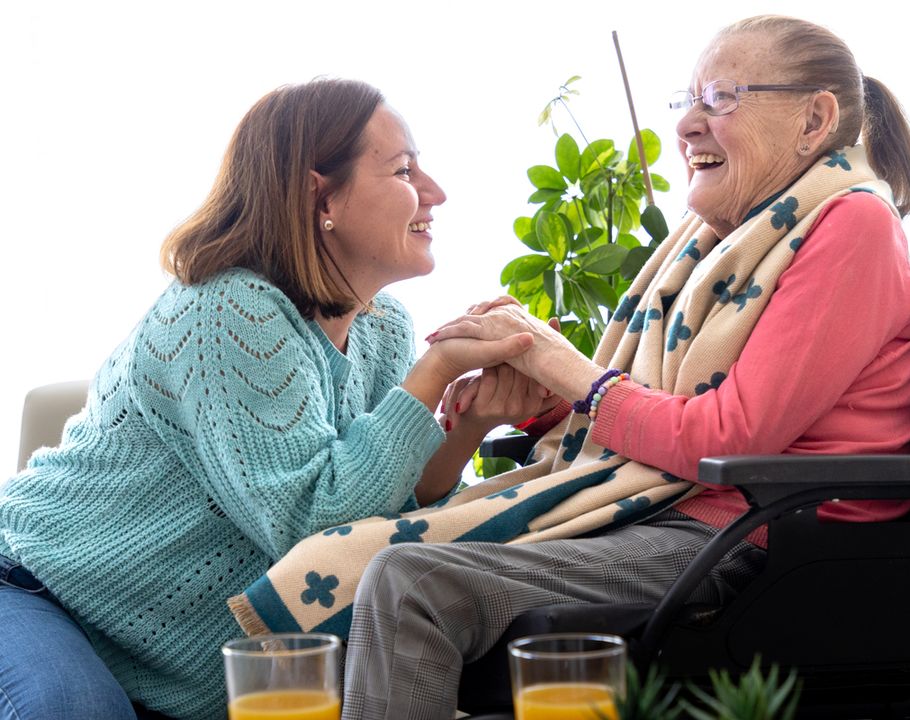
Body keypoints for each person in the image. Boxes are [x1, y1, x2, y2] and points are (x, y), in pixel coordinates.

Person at [342, 14, 910, 719]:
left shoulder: (853, 226)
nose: (687, 127)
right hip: (689, 516)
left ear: (815, 118)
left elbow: (729, 438)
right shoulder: (738, 239)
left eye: (722, 98)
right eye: (687, 102)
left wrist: (565, 366)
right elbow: (681, 409)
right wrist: (549, 403)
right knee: (376, 564)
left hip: (758, 539)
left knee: (409, 582)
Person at [0, 78, 552, 720]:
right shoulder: (224, 310)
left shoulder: (381, 326)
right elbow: (313, 529)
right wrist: (433, 372)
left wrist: (470, 422)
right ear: (321, 197)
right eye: (404, 170)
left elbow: (382, 511)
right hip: (40, 591)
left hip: (164, 652)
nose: (436, 193)